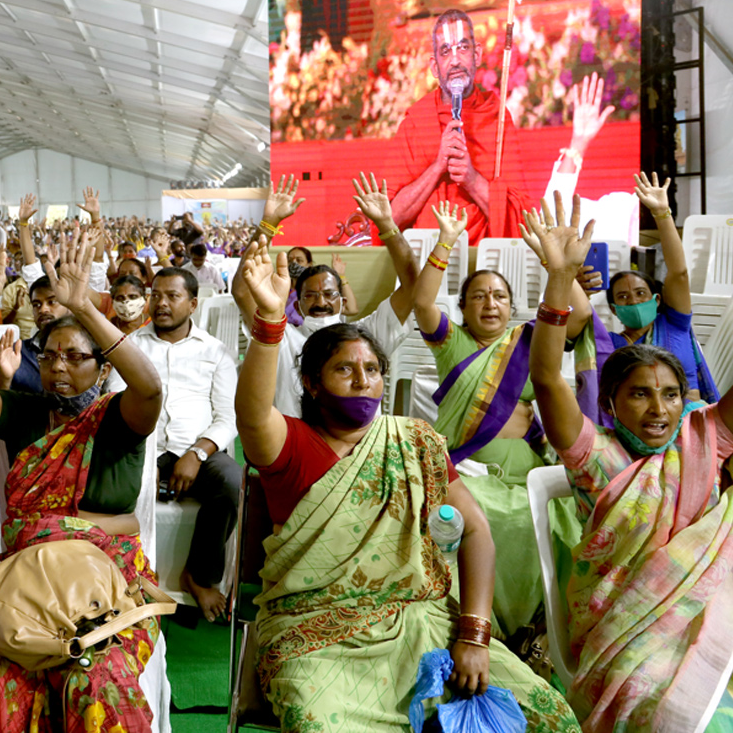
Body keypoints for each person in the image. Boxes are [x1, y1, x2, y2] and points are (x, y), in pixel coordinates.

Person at [232, 238, 579, 731]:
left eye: (372, 370)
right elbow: (250, 412)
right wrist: (269, 322)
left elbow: (476, 531)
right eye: (344, 370)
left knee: (550, 716)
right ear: (311, 383)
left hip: (420, 624)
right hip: (317, 634)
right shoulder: (289, 445)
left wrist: (475, 635)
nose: (362, 380)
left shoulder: (414, 442)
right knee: (321, 722)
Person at [0, 231, 164, 733]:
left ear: (103, 371)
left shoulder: (119, 421)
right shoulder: (24, 415)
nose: (58, 367)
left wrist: (84, 307)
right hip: (28, 586)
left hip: (105, 587)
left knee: (96, 682)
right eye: (49, 356)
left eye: (76, 358)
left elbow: (149, 386)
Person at [527, 196, 733, 733]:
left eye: (669, 394)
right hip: (625, 637)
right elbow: (548, 380)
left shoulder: (703, 437)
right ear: (612, 402)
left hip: (713, 620)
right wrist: (559, 279)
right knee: (672, 712)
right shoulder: (595, 455)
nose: (659, 409)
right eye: (640, 395)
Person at [413, 197, 592, 635]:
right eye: (478, 296)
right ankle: (478, 623)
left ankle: (539, 626)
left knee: (556, 518)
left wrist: (560, 269)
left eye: (499, 296)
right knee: (481, 520)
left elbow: (581, 318)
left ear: (512, 307)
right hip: (467, 471)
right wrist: (445, 242)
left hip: (527, 472)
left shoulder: (529, 342)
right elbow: (420, 304)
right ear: (464, 309)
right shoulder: (452, 345)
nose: (489, 304)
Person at [389, 9, 614, 240]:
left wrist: (472, 179)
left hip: (483, 266)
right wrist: (437, 167)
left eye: (463, 48)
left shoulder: (496, 118)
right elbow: (389, 219)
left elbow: (520, 220)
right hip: (423, 262)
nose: (455, 60)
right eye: (445, 52)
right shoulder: (417, 122)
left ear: (477, 55)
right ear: (435, 67)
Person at [232, 174, 418, 418]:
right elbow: (241, 291)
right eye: (311, 296)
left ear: (342, 302)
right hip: (298, 448)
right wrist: (268, 223)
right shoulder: (284, 340)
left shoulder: (367, 335)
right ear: (298, 306)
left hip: (357, 451)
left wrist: (386, 225)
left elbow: (413, 285)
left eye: (329, 294)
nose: (321, 302)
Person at [112, 267, 239, 622]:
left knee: (233, 483)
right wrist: (140, 452)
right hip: (142, 445)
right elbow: (111, 401)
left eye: (172, 296)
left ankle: (199, 578)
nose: (161, 303)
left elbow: (228, 417)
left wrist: (198, 453)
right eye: (156, 295)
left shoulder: (216, 352)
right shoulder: (130, 346)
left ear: (193, 303)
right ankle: (127, 581)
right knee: (110, 482)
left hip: (197, 449)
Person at [601, 172, 717, 403]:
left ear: (657, 300)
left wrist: (661, 214)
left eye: (640, 293)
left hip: (691, 422)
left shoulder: (675, 323)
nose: (633, 301)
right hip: (643, 428)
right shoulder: (612, 344)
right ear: (614, 309)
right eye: (623, 297)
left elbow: (679, 274)